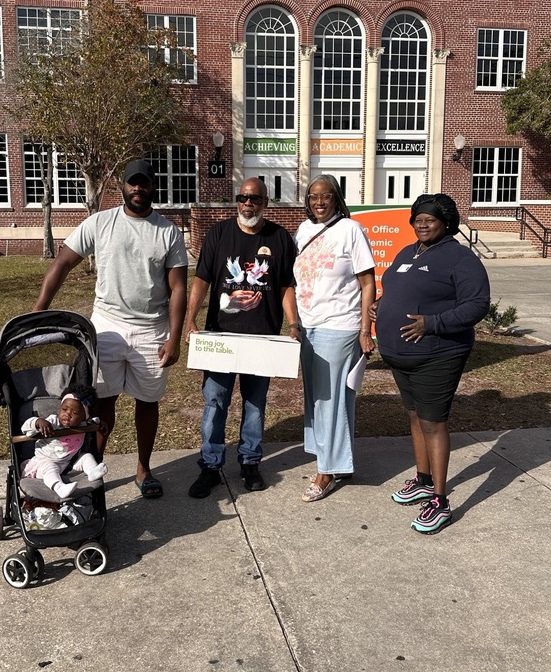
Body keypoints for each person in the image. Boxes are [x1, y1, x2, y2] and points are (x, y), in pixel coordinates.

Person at [32, 159, 188, 499]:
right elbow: (63, 263)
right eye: (132, 182)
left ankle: (144, 469)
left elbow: (178, 288)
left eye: (144, 182)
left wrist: (174, 338)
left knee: (148, 401)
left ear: (153, 186)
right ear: (122, 185)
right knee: (102, 400)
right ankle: (95, 465)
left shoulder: (168, 232)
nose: (138, 188)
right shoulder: (100, 223)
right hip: (106, 327)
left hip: (152, 330)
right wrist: (38, 310)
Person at [371, 193, 490, 534]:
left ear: (446, 222)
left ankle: (440, 500)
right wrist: (381, 304)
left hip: (437, 355)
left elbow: (477, 304)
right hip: (400, 355)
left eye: (430, 219)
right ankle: (423, 480)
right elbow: (399, 289)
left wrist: (432, 323)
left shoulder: (460, 258)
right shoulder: (408, 252)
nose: (422, 224)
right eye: (417, 219)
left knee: (433, 422)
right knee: (415, 416)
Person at [184, 178, 299, 497]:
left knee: (255, 404)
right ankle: (210, 466)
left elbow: (285, 286)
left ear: (266, 203)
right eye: (243, 197)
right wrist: (190, 319)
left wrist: (293, 323)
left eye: (255, 199)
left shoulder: (279, 238)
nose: (248, 204)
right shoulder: (219, 234)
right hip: (221, 336)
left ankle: (250, 462)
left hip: (262, 338)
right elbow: (202, 280)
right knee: (215, 401)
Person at [293, 175, 376, 502]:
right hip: (308, 325)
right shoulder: (303, 230)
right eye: (313, 196)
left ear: (337, 199)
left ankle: (326, 472)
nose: (319, 202)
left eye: (326, 196)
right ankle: (337, 460)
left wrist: (365, 330)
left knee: (330, 400)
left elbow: (367, 283)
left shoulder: (350, 230)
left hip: (339, 325)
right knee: (317, 398)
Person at [20, 388, 108, 499]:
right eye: (64, 409)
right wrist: (38, 422)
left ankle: (92, 472)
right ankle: (59, 488)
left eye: (74, 413)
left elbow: (94, 421)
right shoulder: (53, 422)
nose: (67, 414)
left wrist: (101, 424)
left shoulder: (83, 425)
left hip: (68, 464)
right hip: (43, 464)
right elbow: (25, 427)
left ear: (83, 417)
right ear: (59, 408)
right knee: (50, 467)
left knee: (86, 456)